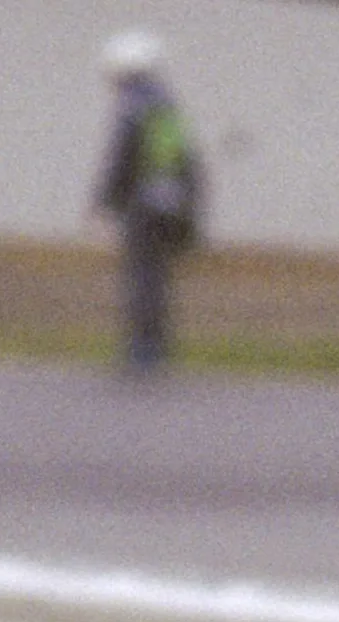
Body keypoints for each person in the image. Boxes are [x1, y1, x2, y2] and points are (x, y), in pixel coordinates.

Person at [91, 30, 204, 376]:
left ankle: (142, 348)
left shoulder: (133, 106)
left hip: (142, 202)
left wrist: (105, 199)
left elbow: (122, 158)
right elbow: (189, 161)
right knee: (157, 276)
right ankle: (155, 345)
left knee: (141, 275)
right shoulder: (166, 104)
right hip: (171, 200)